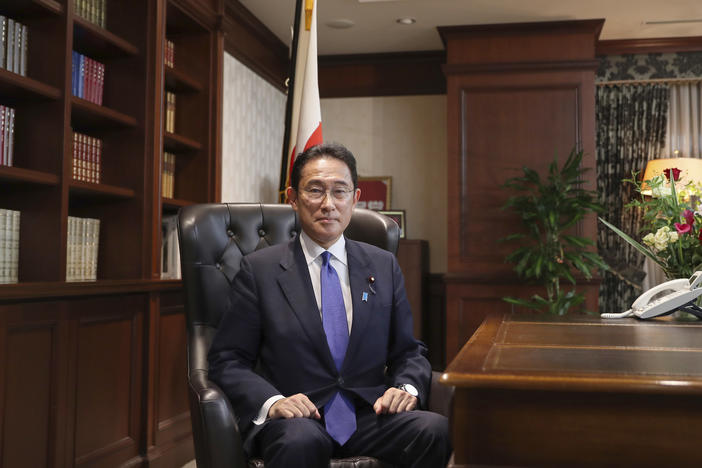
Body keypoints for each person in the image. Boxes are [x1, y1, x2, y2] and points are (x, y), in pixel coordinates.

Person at [208, 142, 451, 468]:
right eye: (315, 191)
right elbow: (229, 360)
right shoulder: (259, 270)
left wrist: (406, 387)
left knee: (434, 429)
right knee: (300, 441)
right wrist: (274, 401)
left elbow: (408, 351)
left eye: (339, 192)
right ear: (292, 199)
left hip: (369, 413)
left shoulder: (382, 266)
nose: (328, 204)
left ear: (355, 198)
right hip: (298, 417)